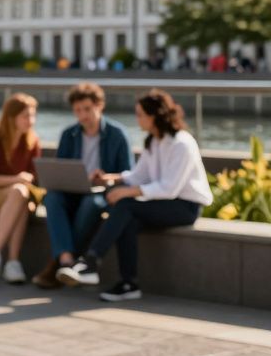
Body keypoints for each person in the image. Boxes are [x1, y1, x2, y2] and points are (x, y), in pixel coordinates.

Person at [57, 89, 212, 301]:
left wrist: (128, 191)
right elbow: (138, 176)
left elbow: (169, 188)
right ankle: (128, 284)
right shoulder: (153, 141)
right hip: (163, 203)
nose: (137, 119)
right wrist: (110, 179)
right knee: (127, 218)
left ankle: (90, 263)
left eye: (140, 114)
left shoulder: (182, 143)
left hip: (185, 207)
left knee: (126, 205)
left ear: (154, 116)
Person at [31, 83, 134, 288]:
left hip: (101, 193)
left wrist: (106, 179)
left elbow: (128, 174)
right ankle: (68, 262)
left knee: (91, 203)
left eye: (87, 109)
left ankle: (59, 264)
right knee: (52, 198)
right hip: (72, 190)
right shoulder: (69, 134)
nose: (83, 115)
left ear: (99, 105)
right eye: (77, 110)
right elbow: (60, 171)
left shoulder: (118, 134)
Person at [0, 93, 45, 284]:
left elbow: (34, 178)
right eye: (26, 116)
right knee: (18, 192)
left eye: (33, 115)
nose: (31, 121)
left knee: (20, 197)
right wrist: (17, 179)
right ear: (11, 117)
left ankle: (4, 259)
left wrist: (23, 182)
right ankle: (5, 258)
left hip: (18, 197)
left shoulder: (33, 141)